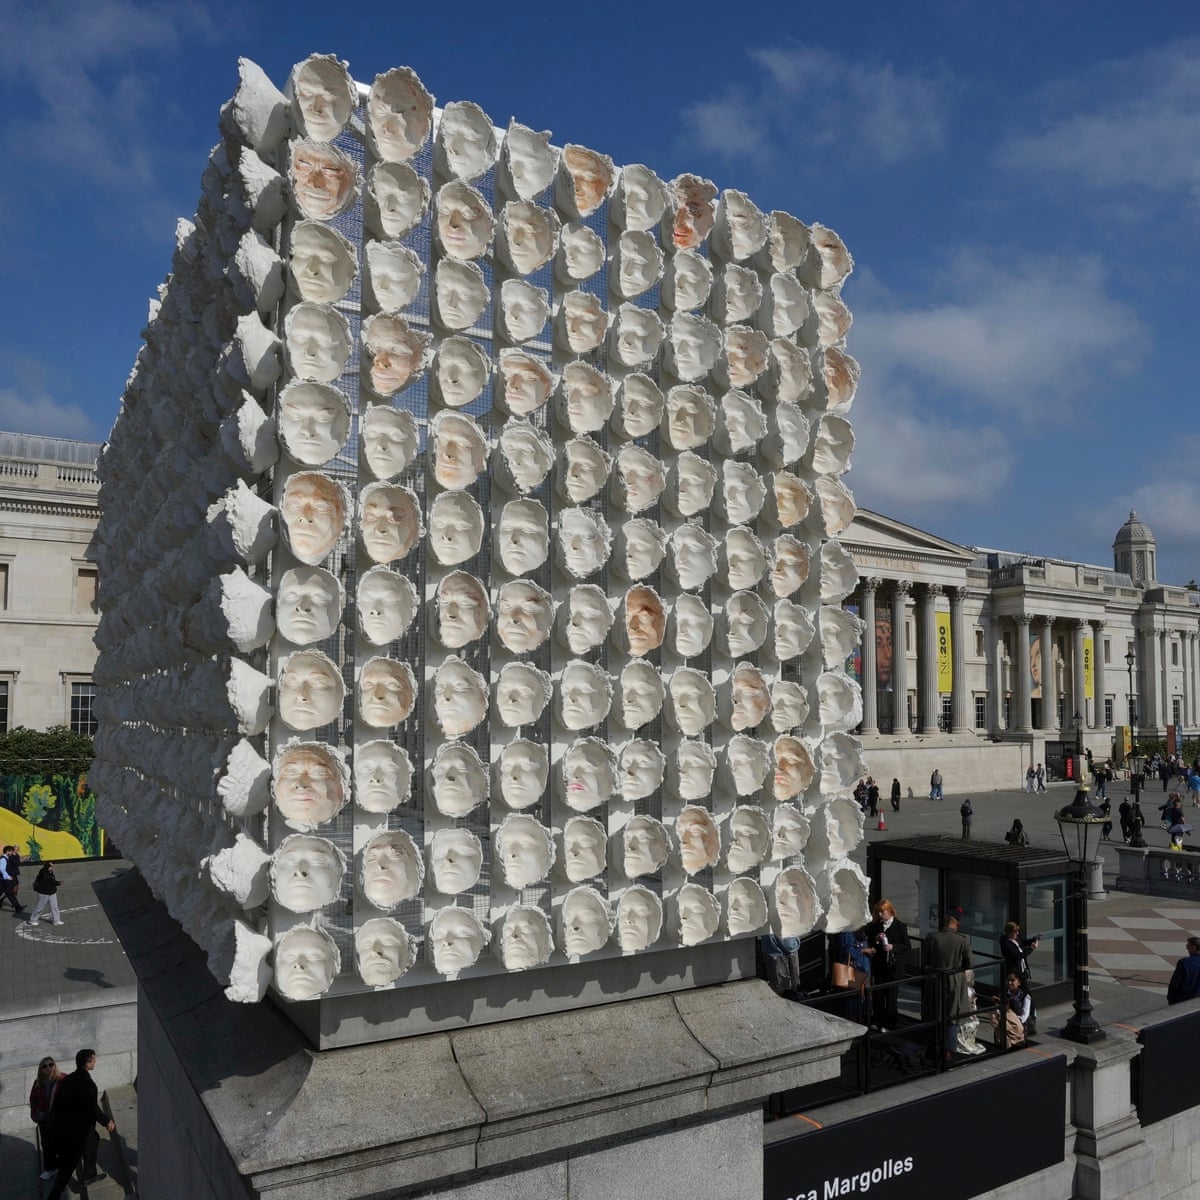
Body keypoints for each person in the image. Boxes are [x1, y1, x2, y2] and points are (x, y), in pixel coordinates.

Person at [46, 1048, 116, 1199]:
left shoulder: (68, 1080)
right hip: (79, 1132)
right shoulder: (88, 1084)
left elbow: (57, 1104)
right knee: (67, 1167)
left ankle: (89, 1175)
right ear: (88, 1063)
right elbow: (92, 1108)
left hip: (70, 1128)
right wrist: (106, 1121)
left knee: (94, 1139)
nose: (95, 1061)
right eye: (94, 1059)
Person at [922, 907, 972, 1059]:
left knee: (935, 1011)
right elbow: (969, 963)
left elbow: (925, 960)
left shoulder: (932, 937)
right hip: (954, 980)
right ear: (956, 922)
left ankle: (933, 1044)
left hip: (935, 979)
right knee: (952, 1015)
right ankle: (948, 1050)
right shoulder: (962, 940)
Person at [862, 899, 911, 1031]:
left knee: (891, 996)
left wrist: (892, 947)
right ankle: (878, 1020)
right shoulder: (876, 926)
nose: (879, 915)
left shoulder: (900, 926)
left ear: (889, 911)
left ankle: (890, 1023)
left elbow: (907, 946)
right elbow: (869, 941)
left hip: (894, 968)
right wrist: (876, 940)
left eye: (882, 912)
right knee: (878, 994)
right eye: (878, 912)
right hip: (879, 965)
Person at [30, 1055, 66, 1182]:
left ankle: (63, 1166)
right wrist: (34, 1115)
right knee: (46, 1145)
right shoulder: (37, 1083)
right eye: (44, 1066)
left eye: (51, 1064)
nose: (48, 1067)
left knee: (61, 1143)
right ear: (41, 1069)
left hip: (59, 1119)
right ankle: (50, 1168)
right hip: (45, 1120)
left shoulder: (63, 1079)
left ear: (55, 1065)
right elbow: (33, 1101)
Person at [990, 971, 1032, 1047]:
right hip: (1005, 1022)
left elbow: (1024, 1017)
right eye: (1008, 980)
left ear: (1019, 982)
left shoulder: (1026, 996)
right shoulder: (1003, 994)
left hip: (1019, 1025)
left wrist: (1012, 1019)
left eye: (1012, 980)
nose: (1009, 983)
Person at [28, 861, 64, 925]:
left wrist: (57, 883)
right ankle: (33, 920)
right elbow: (47, 881)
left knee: (54, 907)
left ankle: (56, 920)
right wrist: (56, 883)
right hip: (44, 893)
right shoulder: (43, 873)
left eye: (52, 866)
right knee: (40, 908)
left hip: (52, 892)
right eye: (51, 866)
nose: (52, 868)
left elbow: (52, 882)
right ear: (47, 867)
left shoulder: (50, 872)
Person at [1167, 936, 1200, 1004]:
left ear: (1194, 947)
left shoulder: (1184, 963)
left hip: (1184, 1000)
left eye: (1188, 946)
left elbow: (1175, 983)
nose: (1186, 948)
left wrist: (1171, 999)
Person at [0, 845, 25, 913]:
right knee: (9, 893)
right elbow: (2, 870)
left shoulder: (7, 858)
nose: (12, 852)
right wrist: (8, 877)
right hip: (6, 879)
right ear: (7, 851)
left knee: (7, 892)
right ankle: (18, 907)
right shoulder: (3, 859)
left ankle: (17, 907)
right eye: (11, 851)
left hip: (4, 880)